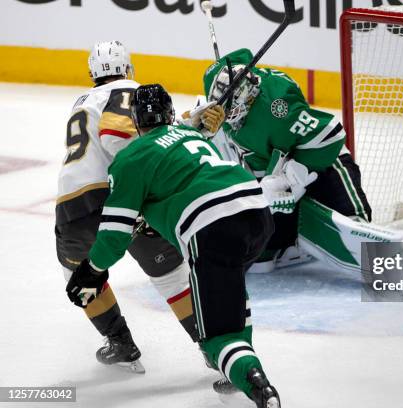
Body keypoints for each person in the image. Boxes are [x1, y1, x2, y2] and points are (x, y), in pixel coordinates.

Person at [65, 84, 280, 407]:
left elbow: (114, 235)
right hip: (258, 213)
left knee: (217, 339)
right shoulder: (192, 136)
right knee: (230, 282)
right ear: (169, 114)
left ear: (136, 121)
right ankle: (235, 365)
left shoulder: (129, 159)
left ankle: (257, 384)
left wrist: (92, 270)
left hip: (213, 227)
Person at [56, 41, 217, 373]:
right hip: (125, 196)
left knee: (78, 272)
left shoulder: (83, 101)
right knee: (172, 277)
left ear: (92, 74)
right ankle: (215, 348)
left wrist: (187, 124)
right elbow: (121, 136)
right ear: (128, 69)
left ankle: (120, 342)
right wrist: (188, 128)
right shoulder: (130, 90)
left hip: (72, 206)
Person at [199, 48, 373, 272]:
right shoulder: (221, 100)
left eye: (232, 105)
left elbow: (331, 136)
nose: (227, 115)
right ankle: (289, 241)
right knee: (258, 262)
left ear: (248, 92)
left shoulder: (276, 106)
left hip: (322, 160)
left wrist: (293, 176)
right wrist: (201, 127)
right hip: (274, 170)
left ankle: (352, 220)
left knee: (355, 227)